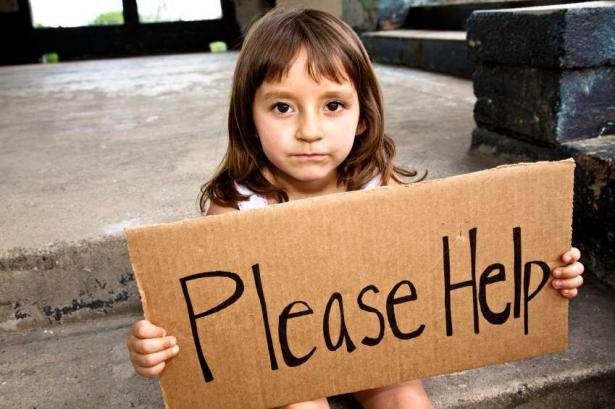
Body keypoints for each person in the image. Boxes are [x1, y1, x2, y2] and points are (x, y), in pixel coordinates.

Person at [126, 8, 585, 409]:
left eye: (333, 105)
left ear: (361, 116)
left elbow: (445, 271)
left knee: (405, 398)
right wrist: (156, 344)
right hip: (286, 359)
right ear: (249, 115)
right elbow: (206, 318)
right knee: (298, 403)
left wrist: (540, 276)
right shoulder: (236, 208)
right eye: (282, 107)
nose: (310, 131)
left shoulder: (376, 186)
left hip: (372, 338)